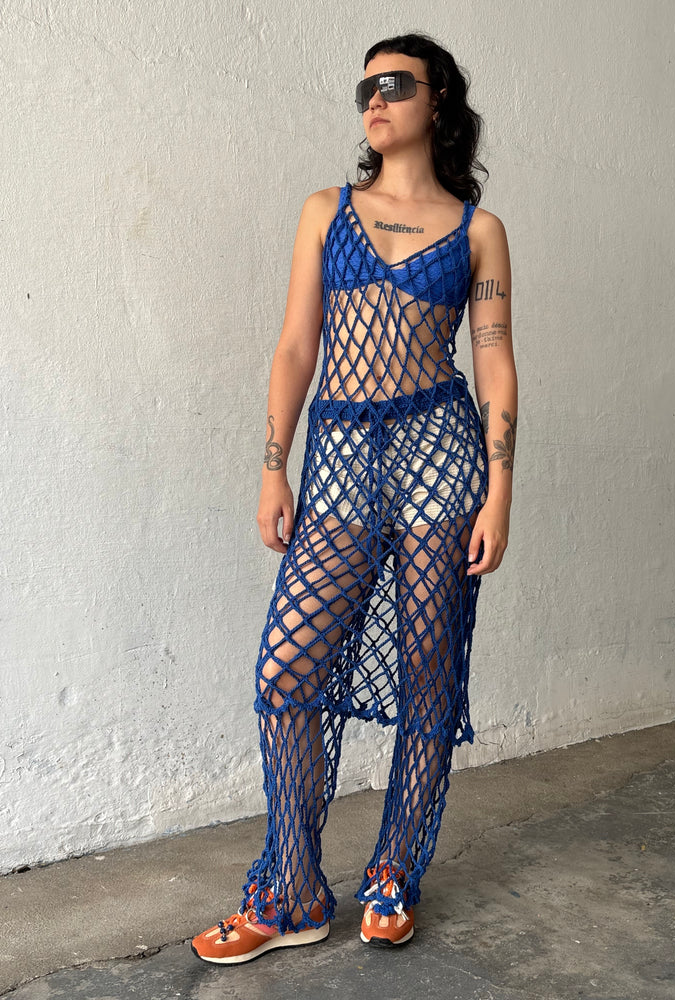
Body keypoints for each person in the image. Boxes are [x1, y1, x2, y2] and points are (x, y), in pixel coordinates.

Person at [191, 31, 517, 965]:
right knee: (287, 671)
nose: (375, 99)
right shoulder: (326, 210)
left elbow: (495, 362)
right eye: (365, 87)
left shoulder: (478, 230)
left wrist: (500, 490)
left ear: (439, 99)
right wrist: (273, 465)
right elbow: (297, 346)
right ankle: (293, 889)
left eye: (396, 84)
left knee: (428, 673)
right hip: (338, 454)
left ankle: (393, 874)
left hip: (439, 458)